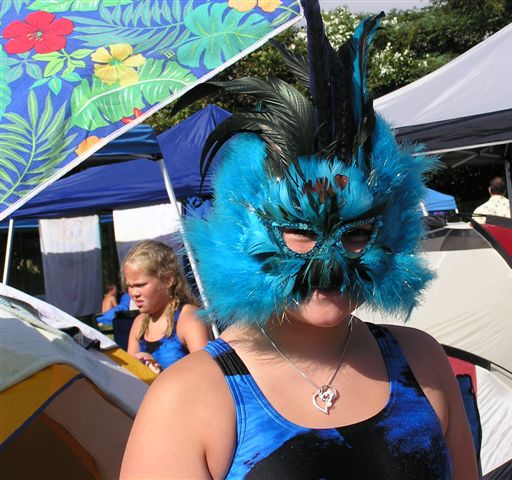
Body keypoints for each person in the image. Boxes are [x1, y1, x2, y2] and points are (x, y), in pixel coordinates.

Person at [121, 2, 478, 479]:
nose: (331, 262)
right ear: (243, 233)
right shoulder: (189, 398)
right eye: (302, 233)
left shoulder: (422, 361)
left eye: (356, 233)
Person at [122, 240, 212, 374]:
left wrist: (160, 375)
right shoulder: (139, 324)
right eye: (130, 286)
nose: (134, 293)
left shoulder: (189, 319)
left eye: (141, 285)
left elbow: (207, 374)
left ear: (168, 279)